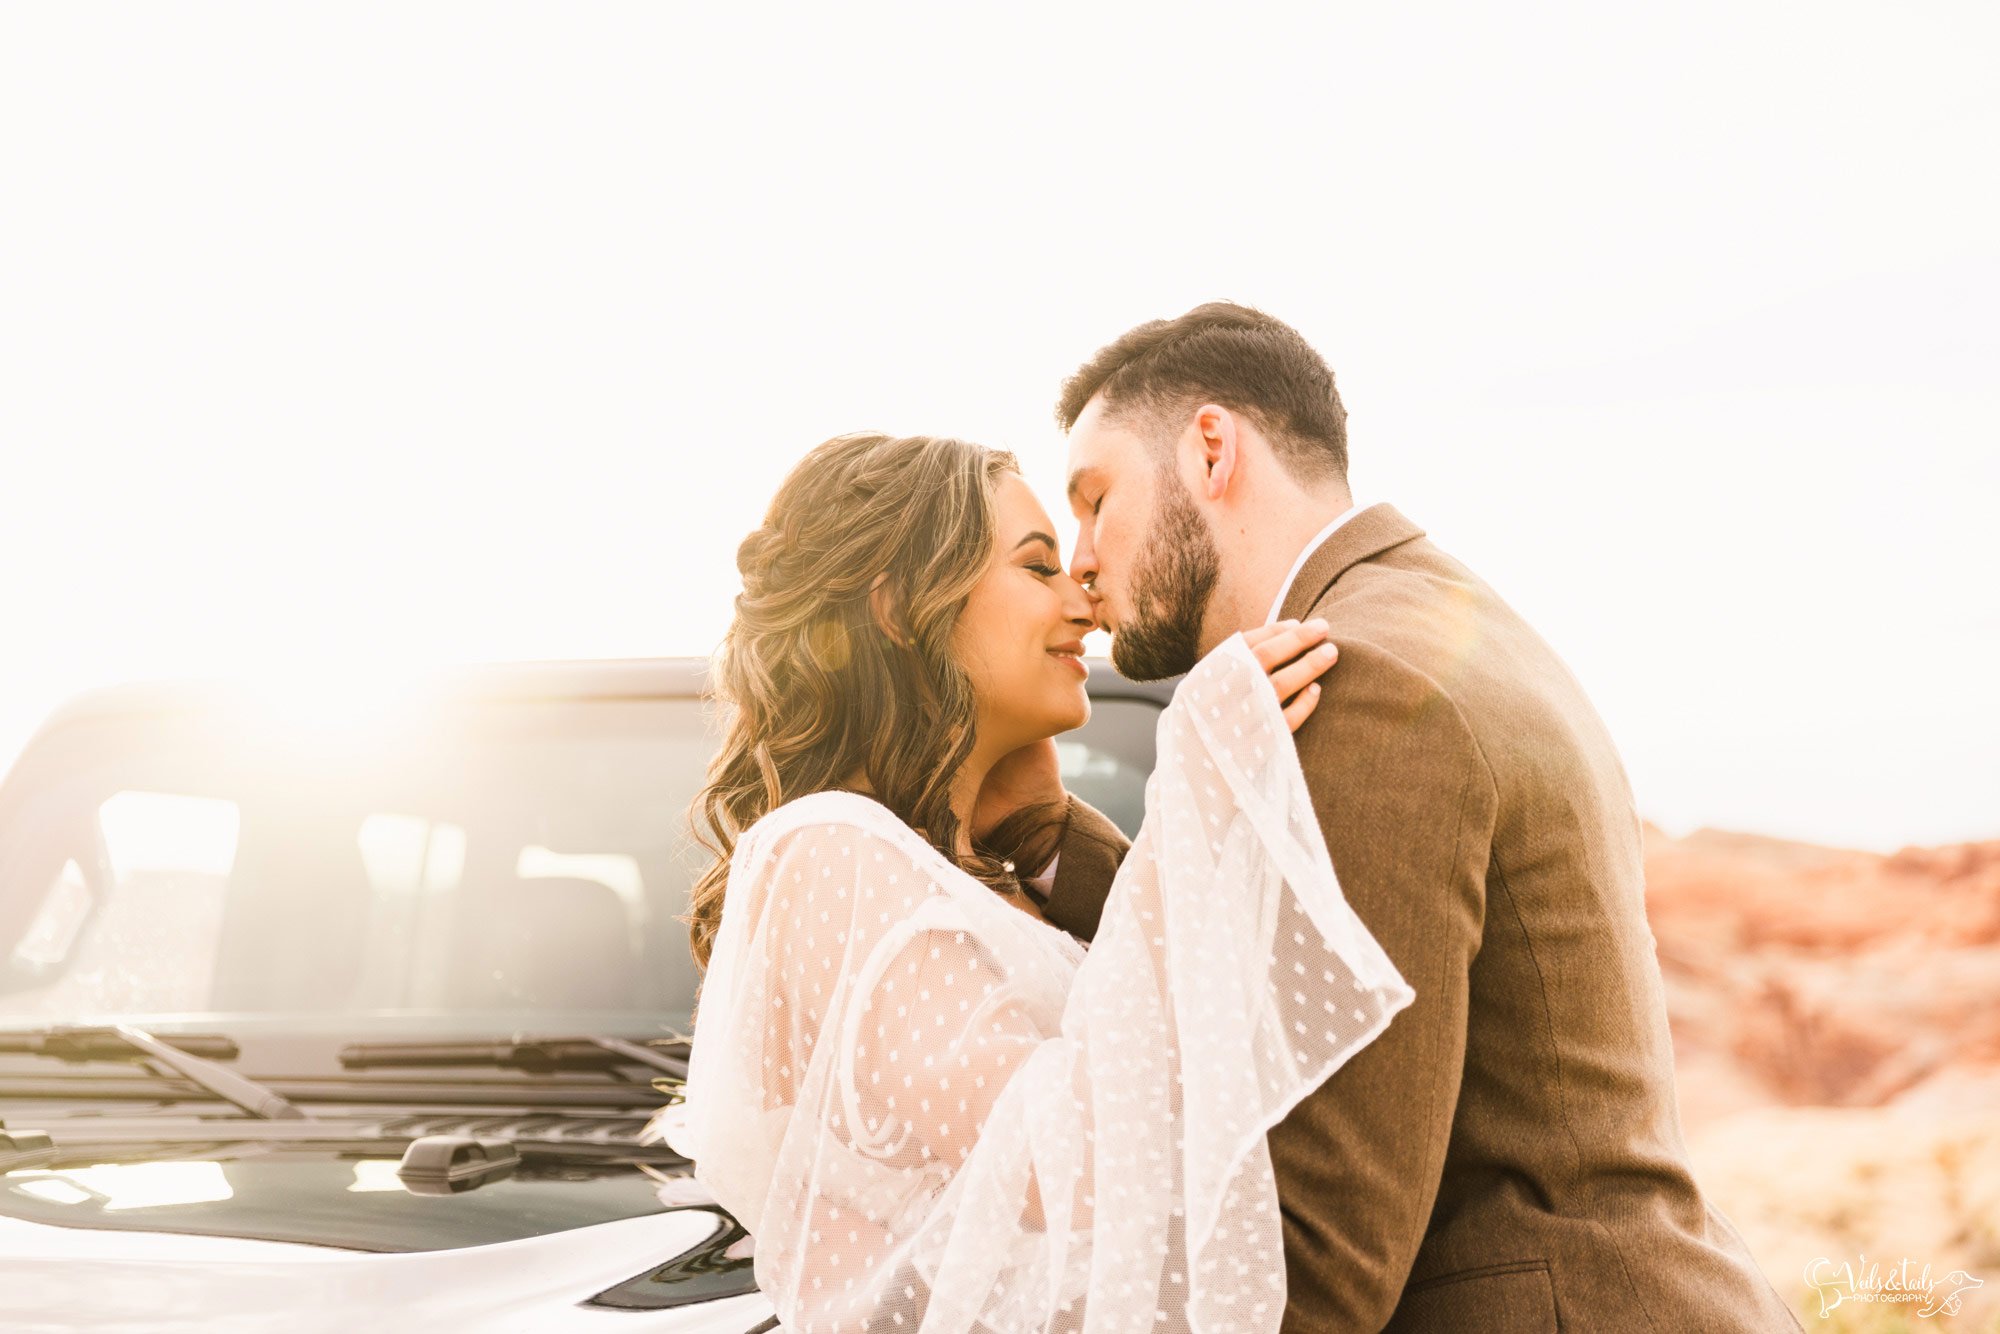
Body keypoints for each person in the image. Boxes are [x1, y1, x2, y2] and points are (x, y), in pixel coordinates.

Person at [1046, 302, 1802, 1332]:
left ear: (1211, 448)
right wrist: (1049, 834)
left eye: (1095, 500)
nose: (1081, 559)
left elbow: (1319, 1262)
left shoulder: (1359, 683)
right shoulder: (1442, 615)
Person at [666, 431, 1414, 1333]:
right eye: (1038, 568)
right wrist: (1195, 796)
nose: (1086, 605)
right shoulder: (826, 855)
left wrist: (1041, 831)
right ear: (901, 606)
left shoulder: (957, 870)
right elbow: (1075, 1171)